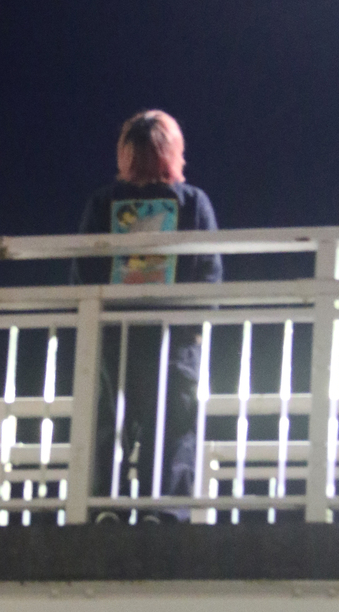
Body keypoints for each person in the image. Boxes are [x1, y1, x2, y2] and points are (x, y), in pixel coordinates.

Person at [72, 110, 222, 518]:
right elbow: (209, 272)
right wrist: (196, 328)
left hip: (113, 331)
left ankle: (104, 507)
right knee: (174, 421)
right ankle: (165, 511)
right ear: (172, 153)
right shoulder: (192, 202)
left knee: (110, 422)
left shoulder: (104, 203)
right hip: (174, 336)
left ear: (126, 155)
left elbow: (83, 270)